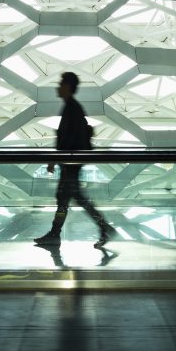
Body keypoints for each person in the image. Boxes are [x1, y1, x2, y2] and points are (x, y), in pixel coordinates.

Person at [34, 72, 116, 248]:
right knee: (69, 198)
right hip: (71, 163)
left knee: (70, 199)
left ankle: (59, 234)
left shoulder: (72, 108)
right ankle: (99, 228)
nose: (58, 87)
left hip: (70, 163)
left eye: (61, 83)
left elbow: (68, 139)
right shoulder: (72, 108)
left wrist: (56, 159)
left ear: (68, 87)